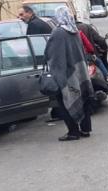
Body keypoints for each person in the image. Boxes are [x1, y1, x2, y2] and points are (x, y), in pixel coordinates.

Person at [45, 6, 94, 141]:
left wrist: (55, 72)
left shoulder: (58, 32)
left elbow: (52, 54)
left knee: (65, 101)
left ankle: (73, 132)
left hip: (66, 73)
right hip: (80, 70)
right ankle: (85, 130)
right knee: (83, 99)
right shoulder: (75, 31)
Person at [78, 30, 108, 106]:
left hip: (74, 62)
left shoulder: (60, 32)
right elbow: (92, 44)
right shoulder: (79, 32)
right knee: (100, 63)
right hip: (86, 57)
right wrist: (92, 52)